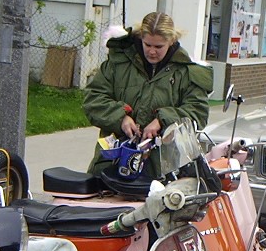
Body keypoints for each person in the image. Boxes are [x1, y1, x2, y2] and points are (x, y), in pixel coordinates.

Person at [83, 12, 213, 179]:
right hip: (113, 163)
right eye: (147, 45)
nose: (152, 52)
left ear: (171, 41)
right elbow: (93, 99)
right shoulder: (118, 63)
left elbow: (197, 113)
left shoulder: (187, 73)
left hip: (163, 170)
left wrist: (162, 120)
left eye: (159, 47)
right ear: (141, 37)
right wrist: (120, 117)